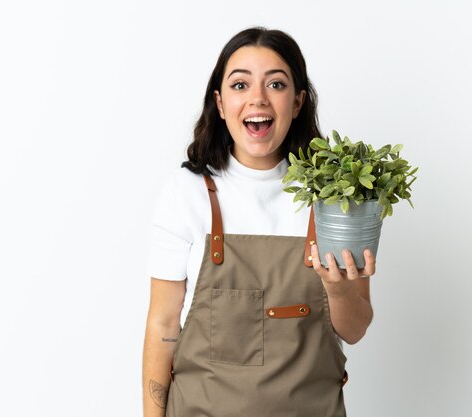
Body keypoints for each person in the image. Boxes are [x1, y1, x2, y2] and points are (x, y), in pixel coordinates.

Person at [142, 27, 375, 417]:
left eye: (276, 84)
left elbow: (355, 328)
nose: (257, 99)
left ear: (298, 101)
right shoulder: (185, 192)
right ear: (219, 102)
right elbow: (162, 326)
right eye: (239, 85)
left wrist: (339, 291)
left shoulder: (336, 195)